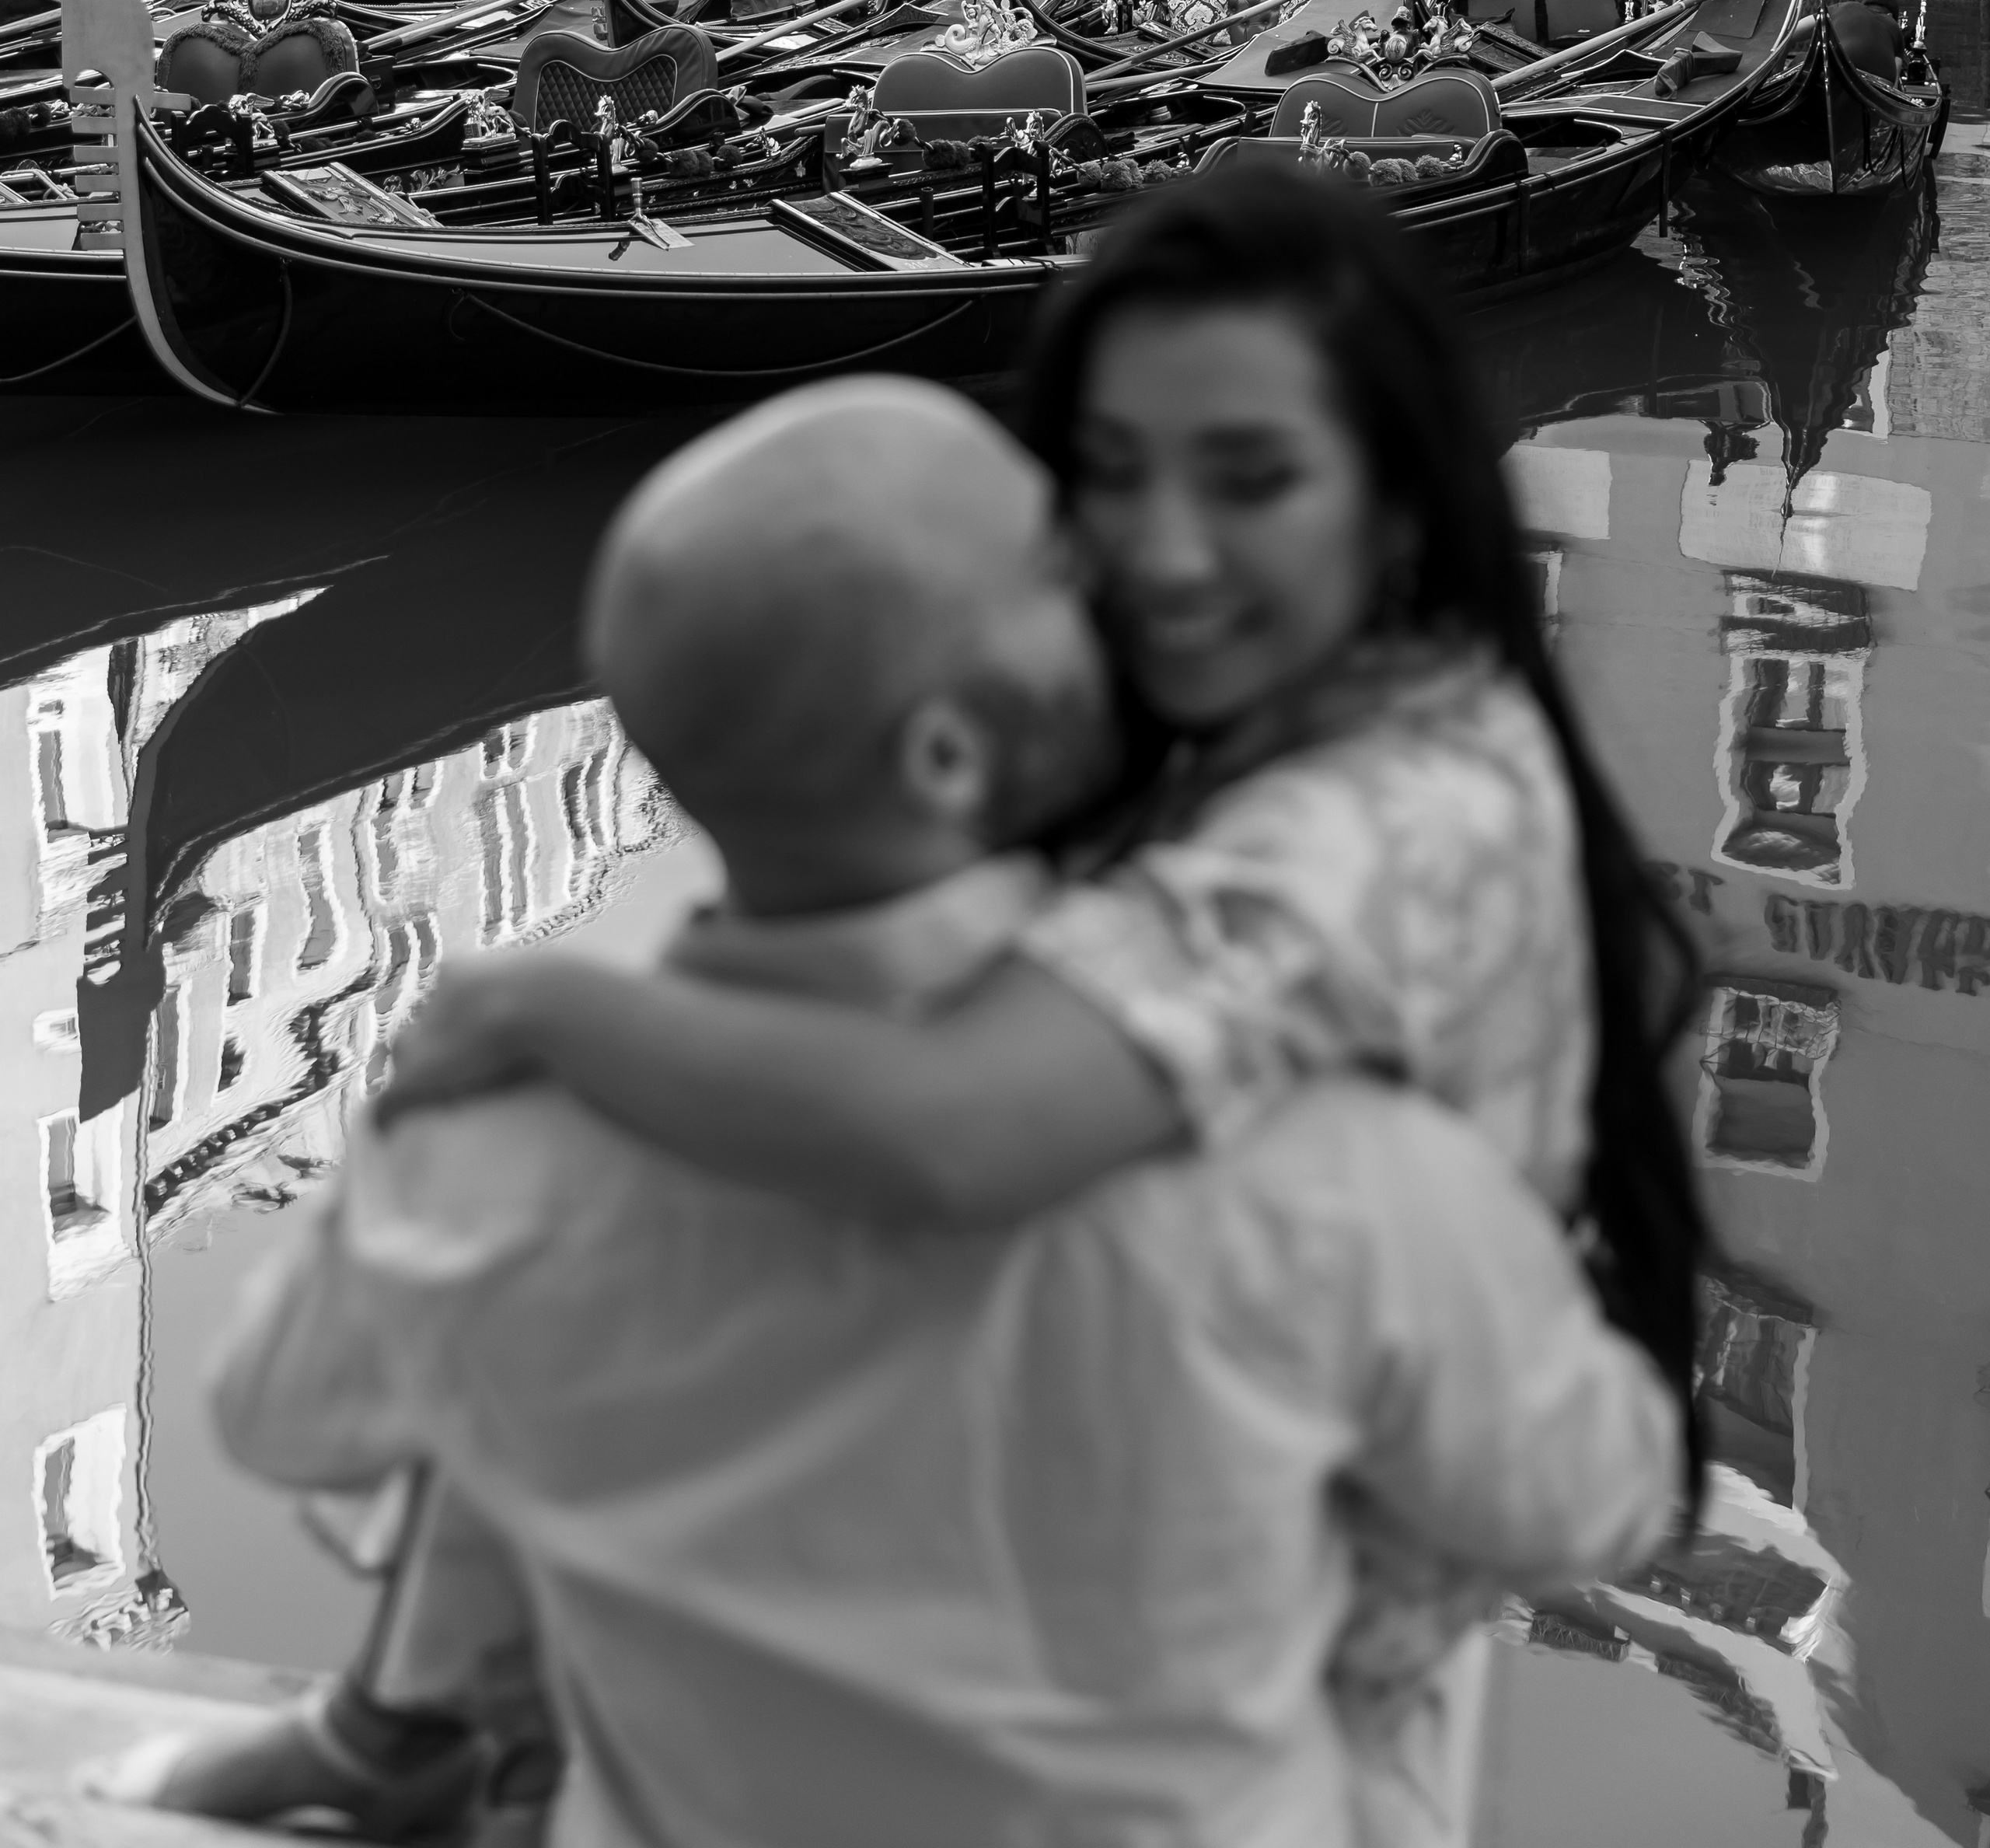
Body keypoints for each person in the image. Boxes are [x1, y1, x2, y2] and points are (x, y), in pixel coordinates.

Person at [379, 167, 1705, 1836]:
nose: (1158, 551)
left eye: (1250, 480)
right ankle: (424, 1721)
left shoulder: (1386, 823)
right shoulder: (1310, 717)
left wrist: (542, 1014)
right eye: (1108, 476)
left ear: (1389, 504)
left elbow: (951, 1135)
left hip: (1271, 1695)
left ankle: (423, 1729)